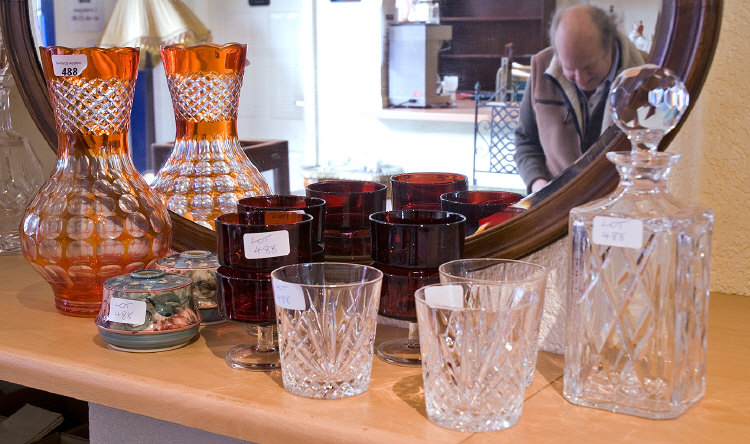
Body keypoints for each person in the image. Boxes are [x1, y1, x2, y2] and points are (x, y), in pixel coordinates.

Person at [514, 5, 646, 193]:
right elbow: (526, 140)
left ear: (609, 44)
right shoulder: (541, 65)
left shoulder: (647, 74)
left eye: (589, 68)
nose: (582, 81)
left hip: (622, 207)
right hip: (557, 206)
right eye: (570, 70)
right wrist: (539, 185)